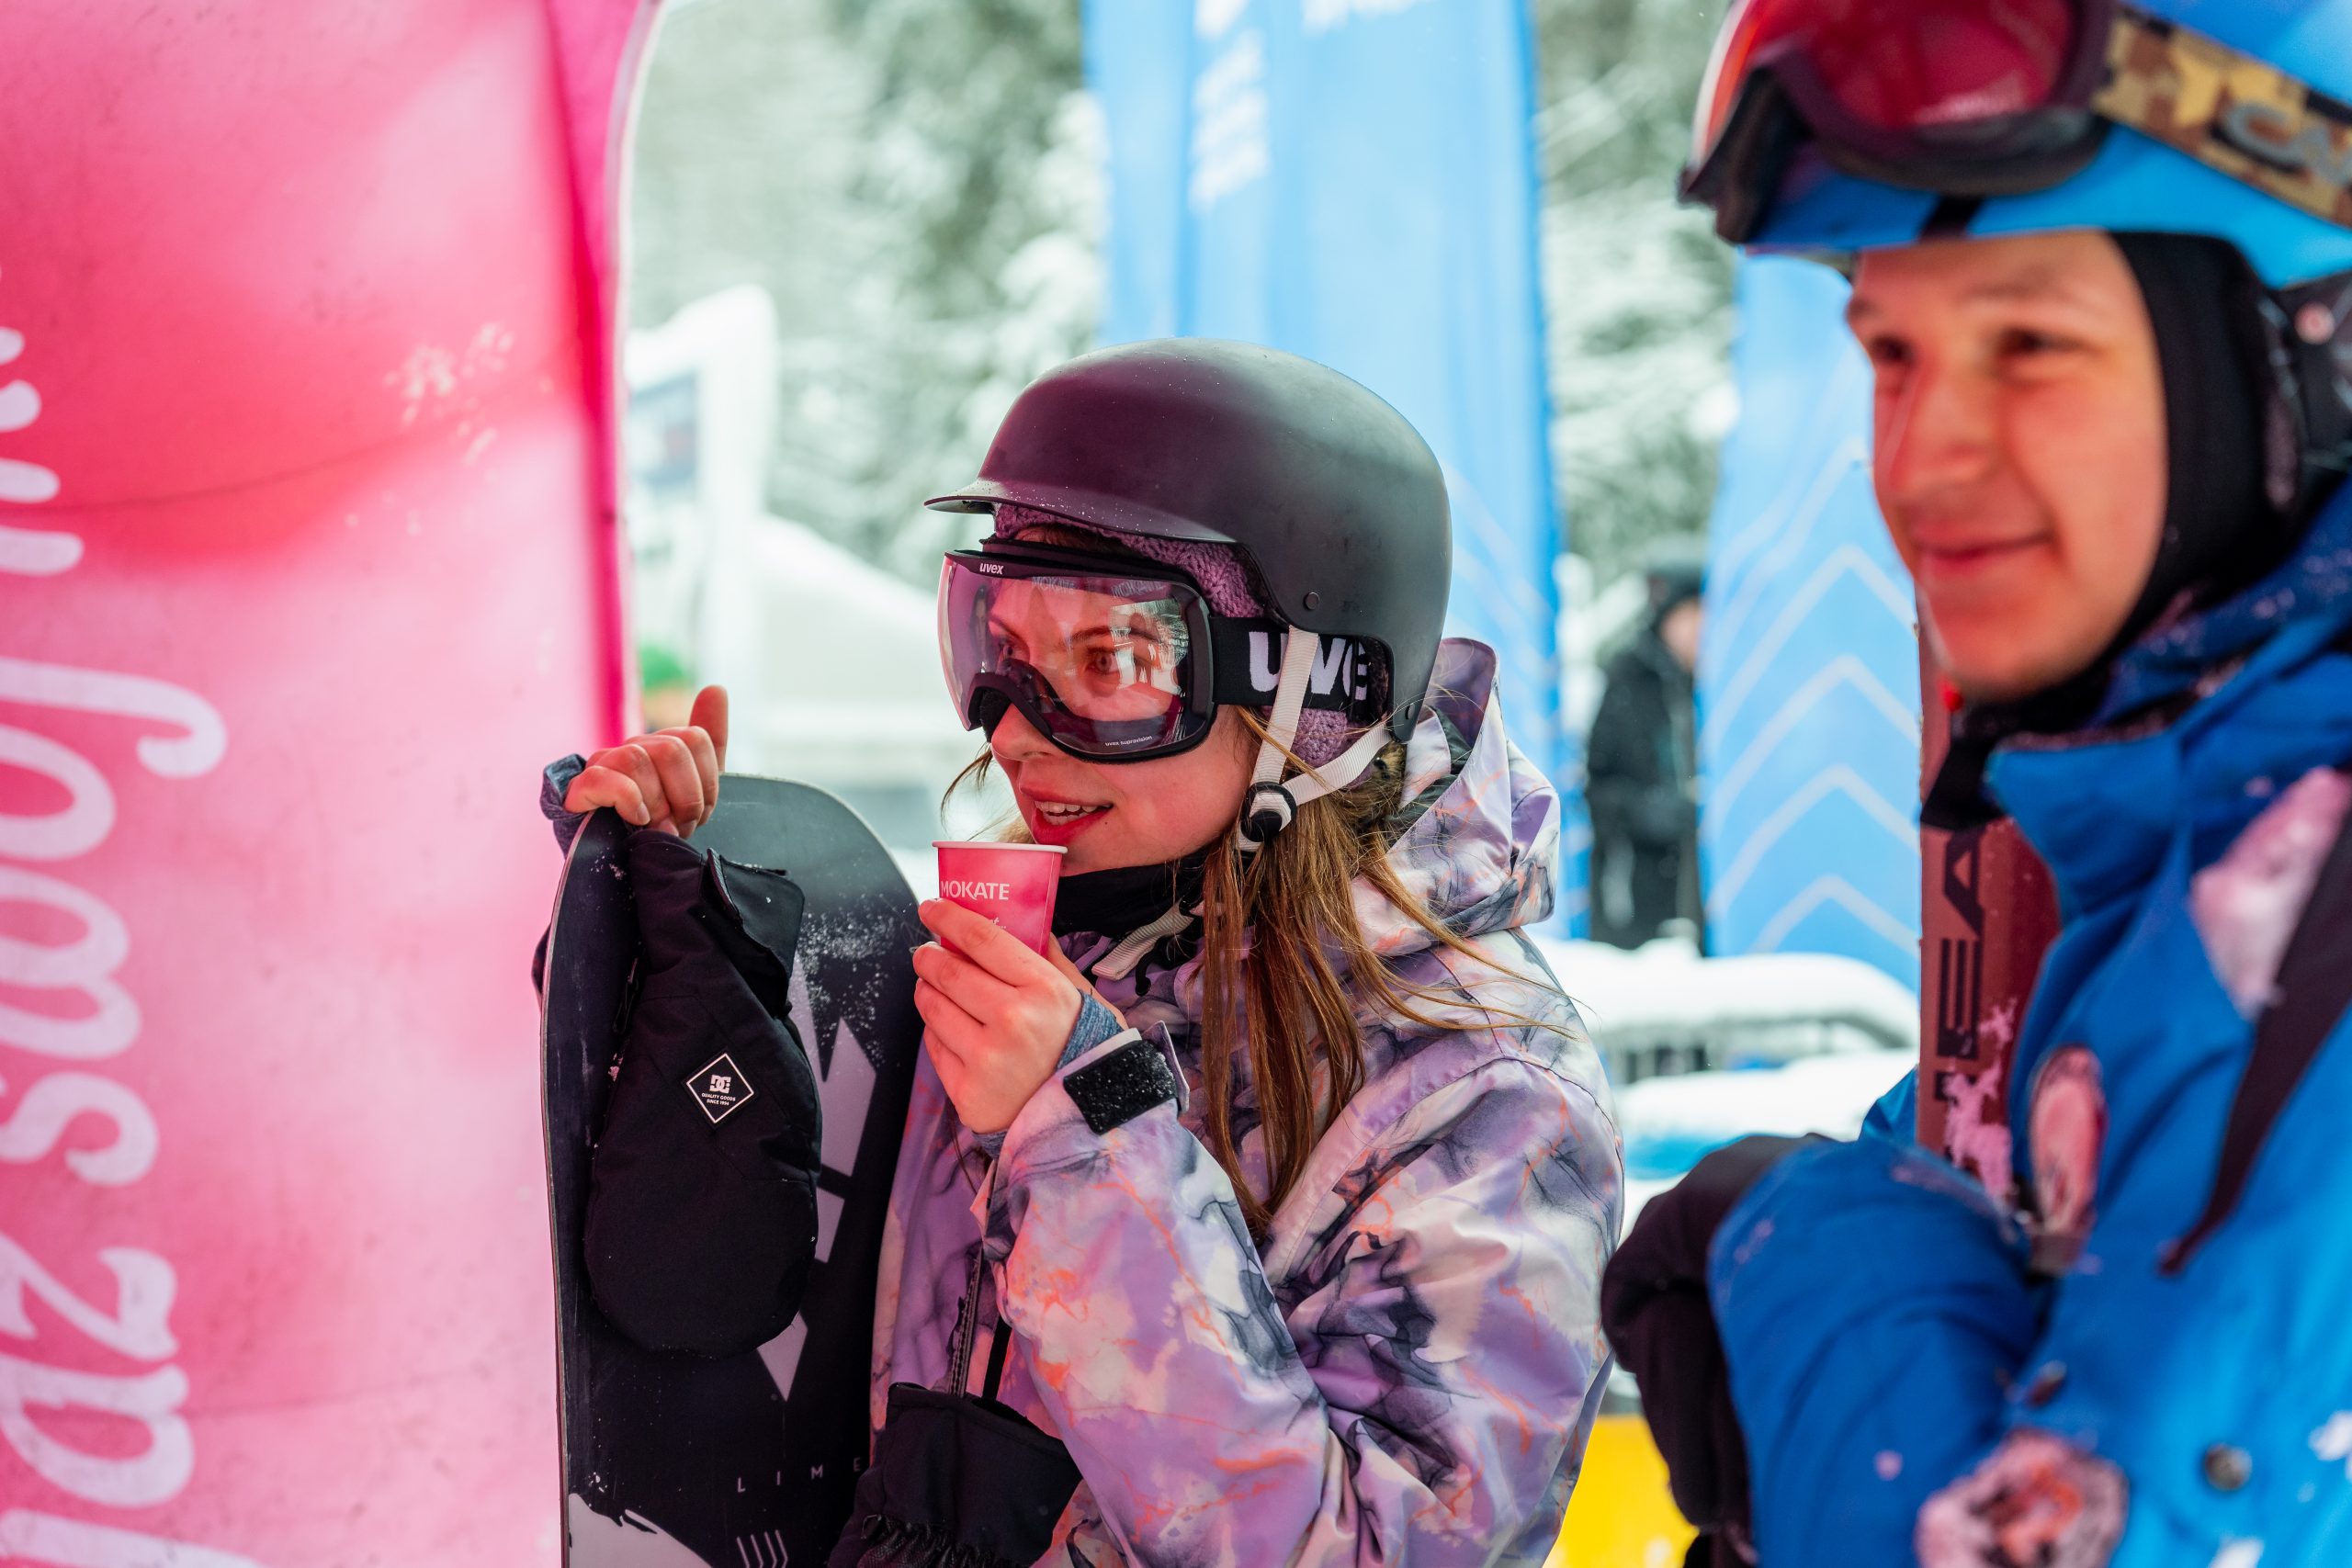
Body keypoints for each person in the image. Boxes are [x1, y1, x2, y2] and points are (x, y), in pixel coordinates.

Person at [560, 339, 1624, 1566]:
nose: (1013, 730)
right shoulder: (1033, 959)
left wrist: (1086, 1134)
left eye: (1109, 661)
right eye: (994, 644)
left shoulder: (1485, 1093)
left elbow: (1377, 1551)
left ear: (1313, 694)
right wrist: (688, 939)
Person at [1602, 2, 2352, 1564]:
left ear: (2310, 347)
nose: (1921, 460)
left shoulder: (2310, 920)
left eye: (2031, 346)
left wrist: (1807, 1251)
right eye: (1892, 352)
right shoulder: (2186, 861)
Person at [1587, 547, 1706, 949]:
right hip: (1640, 891)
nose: (1700, 629)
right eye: (1690, 615)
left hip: (1708, 892)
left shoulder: (1722, 686)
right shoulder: (1629, 679)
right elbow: (1597, 783)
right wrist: (1648, 811)